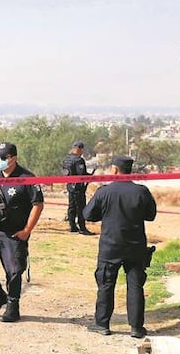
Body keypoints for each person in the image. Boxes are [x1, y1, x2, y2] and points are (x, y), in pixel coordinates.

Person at [82, 156, 157, 338]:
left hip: (110, 246)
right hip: (136, 246)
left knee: (106, 285)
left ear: (115, 170)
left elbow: (88, 215)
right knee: (135, 286)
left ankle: (102, 324)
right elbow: (151, 215)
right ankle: (136, 328)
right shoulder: (141, 191)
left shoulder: (104, 191)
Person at [0, 142, 44, 323]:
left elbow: (38, 205)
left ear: (14, 158)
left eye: (3, 158)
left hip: (13, 234)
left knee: (13, 271)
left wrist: (27, 231)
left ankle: (13, 307)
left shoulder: (27, 177)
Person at [63, 141, 93, 235]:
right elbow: (81, 175)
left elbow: (65, 173)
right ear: (79, 149)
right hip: (78, 187)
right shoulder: (79, 160)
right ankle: (82, 228)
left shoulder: (66, 159)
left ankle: (72, 226)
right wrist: (89, 176)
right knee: (81, 208)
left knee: (71, 206)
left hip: (70, 186)